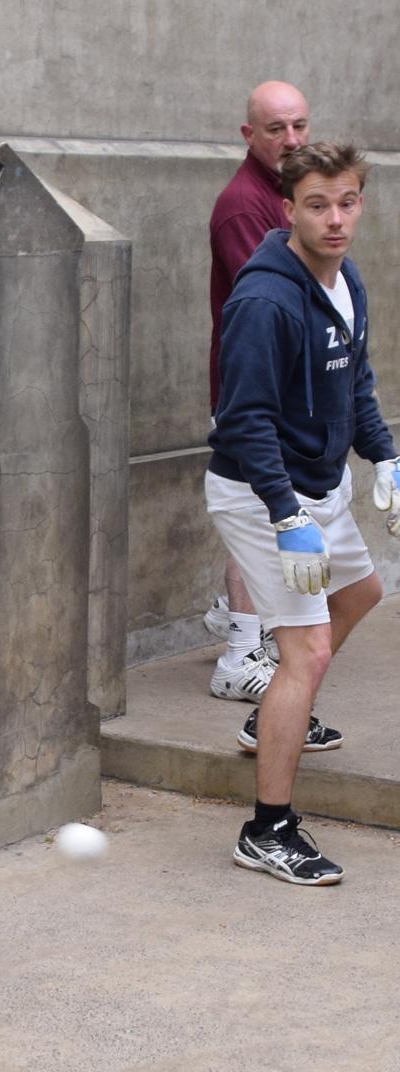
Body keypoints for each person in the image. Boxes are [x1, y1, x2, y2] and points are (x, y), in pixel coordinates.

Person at [208, 141, 398, 885]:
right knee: (305, 651)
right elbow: (242, 419)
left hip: (314, 487)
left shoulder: (343, 277)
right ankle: (266, 829)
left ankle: (270, 723)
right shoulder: (262, 300)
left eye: (346, 201)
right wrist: (286, 516)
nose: (334, 218)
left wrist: (384, 456)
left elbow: (355, 381)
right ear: (286, 209)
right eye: (316, 204)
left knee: (359, 592)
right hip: (261, 494)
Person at [204, 80, 311, 702]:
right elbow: (271, 310)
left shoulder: (292, 194)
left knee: (270, 514)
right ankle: (239, 652)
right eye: (277, 129)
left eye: (300, 125)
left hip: (283, 395)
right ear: (250, 136)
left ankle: (235, 611)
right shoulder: (245, 206)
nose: (292, 140)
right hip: (253, 397)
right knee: (256, 512)